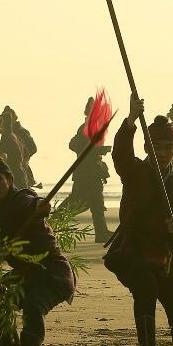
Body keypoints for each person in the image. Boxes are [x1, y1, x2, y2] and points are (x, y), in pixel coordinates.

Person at [104, 100, 173, 346]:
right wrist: (130, 121)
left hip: (166, 256)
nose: (162, 152)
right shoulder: (134, 171)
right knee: (145, 287)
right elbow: (120, 154)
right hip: (133, 252)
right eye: (157, 147)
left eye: (167, 147)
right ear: (148, 148)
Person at [0, 155, 76, 346]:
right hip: (24, 274)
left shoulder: (22, 198)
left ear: (9, 179)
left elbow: (34, 202)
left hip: (51, 272)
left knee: (34, 305)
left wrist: (40, 207)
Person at [64, 97, 113, 243]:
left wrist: (97, 150)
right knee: (77, 201)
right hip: (86, 171)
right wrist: (98, 149)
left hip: (92, 169)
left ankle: (101, 232)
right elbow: (74, 145)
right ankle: (52, 220)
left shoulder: (93, 126)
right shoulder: (85, 128)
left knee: (97, 202)